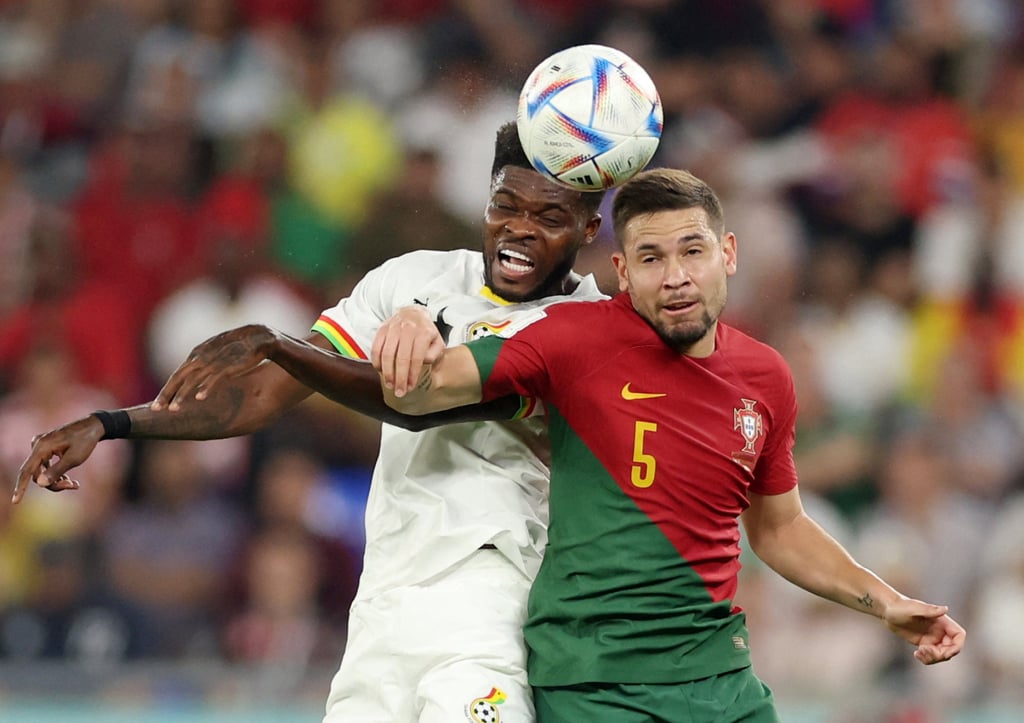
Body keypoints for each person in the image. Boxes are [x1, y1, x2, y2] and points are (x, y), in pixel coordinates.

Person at [13, 121, 607, 723]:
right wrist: (111, 423)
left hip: (493, 598)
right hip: (383, 599)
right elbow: (262, 397)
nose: (519, 230)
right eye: (505, 206)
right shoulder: (411, 279)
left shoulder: (592, 329)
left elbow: (420, 403)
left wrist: (280, 344)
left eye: (550, 218)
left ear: (589, 228)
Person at [377, 167, 966, 722]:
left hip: (721, 678)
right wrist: (413, 316)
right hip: (595, 682)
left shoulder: (766, 377)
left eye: (692, 251)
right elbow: (422, 389)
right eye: (651, 258)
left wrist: (885, 603)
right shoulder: (573, 341)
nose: (676, 276)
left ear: (728, 253)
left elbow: (780, 528)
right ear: (623, 271)